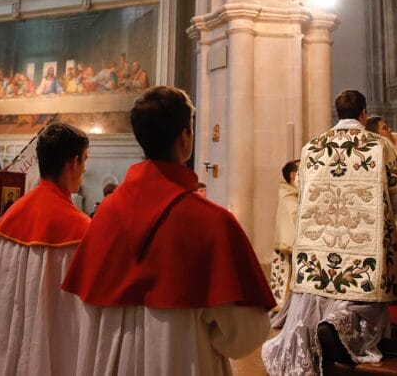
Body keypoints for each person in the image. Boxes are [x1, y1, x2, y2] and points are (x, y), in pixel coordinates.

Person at [63, 86, 274, 375]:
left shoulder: (105, 215)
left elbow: (88, 313)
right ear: (185, 138)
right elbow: (243, 336)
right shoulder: (212, 221)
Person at [263, 90, 397, 375]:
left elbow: (304, 194)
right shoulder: (379, 145)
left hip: (321, 243)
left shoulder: (312, 148)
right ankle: (339, 326)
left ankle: (326, 329)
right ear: (363, 113)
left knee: (325, 292)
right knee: (362, 299)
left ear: (337, 113)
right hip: (363, 243)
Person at [0, 122, 91, 375]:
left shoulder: (9, 217)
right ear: (73, 163)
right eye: (84, 160)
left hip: (5, 355)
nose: (84, 168)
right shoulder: (81, 229)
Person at [269, 160, 299, 313]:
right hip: (288, 248)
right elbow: (294, 219)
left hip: (290, 247)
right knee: (285, 283)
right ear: (293, 176)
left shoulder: (292, 193)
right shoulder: (289, 196)